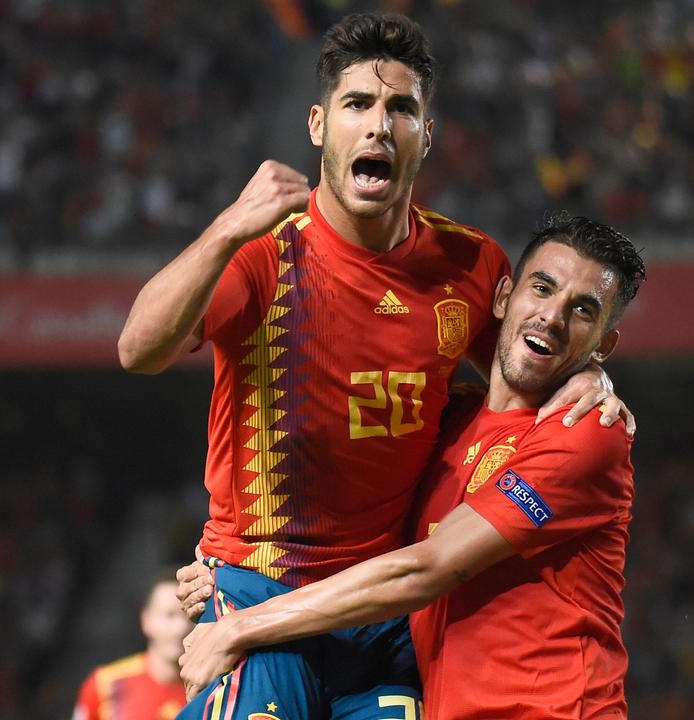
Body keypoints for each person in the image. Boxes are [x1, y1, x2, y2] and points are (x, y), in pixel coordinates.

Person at [117, 12, 631, 719]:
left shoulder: (472, 266)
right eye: (358, 104)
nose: (380, 126)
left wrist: (589, 378)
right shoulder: (265, 257)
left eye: (402, 108)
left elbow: (521, 372)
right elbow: (137, 350)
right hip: (263, 587)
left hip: (384, 618)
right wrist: (229, 225)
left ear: (428, 135)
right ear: (318, 125)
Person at [178, 215, 644, 719]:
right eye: (542, 289)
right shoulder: (450, 422)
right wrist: (231, 567)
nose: (553, 317)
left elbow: (427, 567)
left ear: (604, 344)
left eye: (582, 310)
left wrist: (242, 623)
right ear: (504, 297)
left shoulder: (585, 433)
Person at [73, 574, 193, 720]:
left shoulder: (216, 690)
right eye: (169, 615)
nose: (181, 628)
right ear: (146, 620)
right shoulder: (105, 684)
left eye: (190, 616)